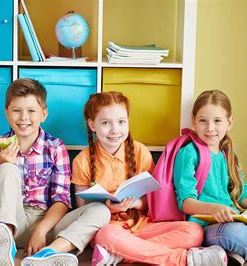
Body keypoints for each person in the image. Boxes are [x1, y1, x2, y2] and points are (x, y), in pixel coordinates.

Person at [73, 91, 227, 266]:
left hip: (143, 225)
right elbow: (82, 209)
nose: (115, 130)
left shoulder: (139, 151)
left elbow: (153, 199)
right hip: (109, 228)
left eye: (121, 122)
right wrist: (110, 208)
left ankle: (123, 254)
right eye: (106, 123)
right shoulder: (82, 160)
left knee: (194, 231)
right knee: (107, 236)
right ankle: (183, 259)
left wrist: (134, 203)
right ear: (92, 125)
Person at [0, 78, 111, 266]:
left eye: (31, 111)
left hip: (46, 222)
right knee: (7, 169)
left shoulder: (56, 147)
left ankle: (46, 255)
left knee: (100, 210)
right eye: (16, 110)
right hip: (6, 219)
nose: (23, 117)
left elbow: (61, 200)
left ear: (43, 114)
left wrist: (41, 230)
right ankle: (6, 245)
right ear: (7, 113)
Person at [173, 89, 247, 264]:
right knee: (234, 234)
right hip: (207, 227)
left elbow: (244, 196)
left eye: (217, 121)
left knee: (242, 229)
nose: (210, 128)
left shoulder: (227, 154)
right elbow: (186, 203)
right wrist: (214, 209)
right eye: (203, 121)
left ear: (229, 122)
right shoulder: (188, 153)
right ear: (193, 121)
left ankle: (239, 254)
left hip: (234, 218)